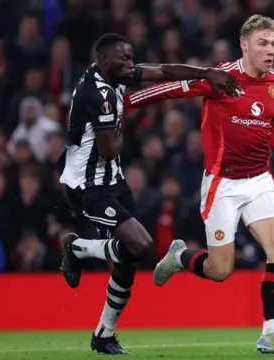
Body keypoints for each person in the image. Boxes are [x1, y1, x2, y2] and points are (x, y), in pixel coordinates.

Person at [125, 16, 274, 354]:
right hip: (223, 184)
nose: (270, 51)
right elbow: (170, 89)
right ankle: (180, 257)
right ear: (245, 45)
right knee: (220, 270)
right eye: (263, 44)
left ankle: (271, 332)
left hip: (259, 181)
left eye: (273, 43)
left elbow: (271, 123)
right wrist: (123, 104)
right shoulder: (221, 78)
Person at [58, 33, 241, 355]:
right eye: (124, 59)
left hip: (113, 181)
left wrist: (205, 73)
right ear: (104, 61)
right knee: (141, 245)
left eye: (132, 58)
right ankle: (77, 248)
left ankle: (104, 334)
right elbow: (109, 149)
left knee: (128, 262)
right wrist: (129, 116)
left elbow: (166, 71)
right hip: (86, 185)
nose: (131, 65)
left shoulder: (114, 76)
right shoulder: (98, 94)